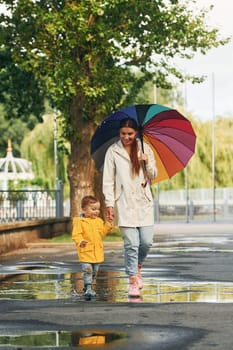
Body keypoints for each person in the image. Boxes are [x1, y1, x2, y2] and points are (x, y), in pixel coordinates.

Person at [102, 117, 157, 297]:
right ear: (119, 133)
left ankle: (137, 266)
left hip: (144, 202)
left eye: (130, 134)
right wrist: (109, 204)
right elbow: (108, 180)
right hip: (124, 203)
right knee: (131, 244)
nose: (126, 137)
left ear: (136, 133)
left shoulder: (145, 148)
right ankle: (132, 279)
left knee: (146, 242)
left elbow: (154, 174)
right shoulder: (113, 151)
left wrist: (146, 160)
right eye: (123, 134)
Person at [72, 195, 113, 298]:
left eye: (98, 209)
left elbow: (101, 233)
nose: (96, 211)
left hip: (97, 253)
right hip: (86, 252)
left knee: (94, 272)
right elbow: (76, 234)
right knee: (87, 270)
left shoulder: (99, 221)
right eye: (93, 209)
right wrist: (80, 241)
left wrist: (108, 224)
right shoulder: (79, 221)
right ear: (84, 209)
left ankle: (88, 286)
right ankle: (88, 287)